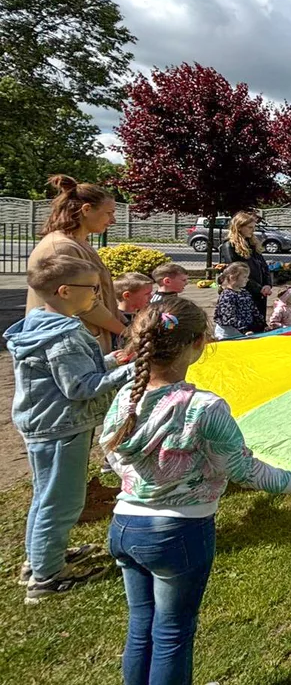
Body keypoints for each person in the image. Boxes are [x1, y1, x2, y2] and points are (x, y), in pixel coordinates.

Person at [101, 297, 291, 685]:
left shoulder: (127, 397)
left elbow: (112, 453)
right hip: (178, 531)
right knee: (172, 631)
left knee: (141, 624)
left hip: (125, 525)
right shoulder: (204, 407)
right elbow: (242, 468)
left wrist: (147, 480)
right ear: (199, 343)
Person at [6, 255, 136, 603]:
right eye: (92, 288)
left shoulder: (42, 324)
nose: (97, 294)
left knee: (46, 496)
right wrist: (131, 371)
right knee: (61, 502)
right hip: (61, 428)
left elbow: (77, 371)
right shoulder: (61, 337)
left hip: (46, 423)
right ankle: (46, 578)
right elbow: (80, 387)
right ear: (65, 291)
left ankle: (40, 559)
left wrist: (112, 360)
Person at [24, 175, 126, 354]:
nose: (113, 220)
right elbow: (86, 305)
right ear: (86, 209)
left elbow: (101, 293)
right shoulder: (61, 248)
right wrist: (126, 332)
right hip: (67, 352)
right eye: (109, 213)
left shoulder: (79, 243)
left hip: (83, 345)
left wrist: (126, 321)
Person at [219, 211, 273, 321]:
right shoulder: (229, 246)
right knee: (248, 323)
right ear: (239, 227)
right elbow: (236, 271)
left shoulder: (252, 244)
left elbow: (264, 266)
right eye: (249, 227)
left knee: (260, 322)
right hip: (243, 292)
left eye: (254, 227)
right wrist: (259, 288)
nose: (253, 230)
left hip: (260, 292)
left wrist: (268, 284)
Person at [213, 262, 266, 339]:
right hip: (227, 334)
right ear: (233, 277)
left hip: (242, 332)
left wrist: (263, 324)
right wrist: (244, 330)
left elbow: (254, 310)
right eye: (244, 277)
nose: (247, 279)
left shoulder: (244, 292)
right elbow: (229, 316)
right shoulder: (227, 295)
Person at [115, 272, 154, 347]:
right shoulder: (116, 320)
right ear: (127, 295)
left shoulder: (145, 313)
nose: (151, 297)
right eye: (147, 294)